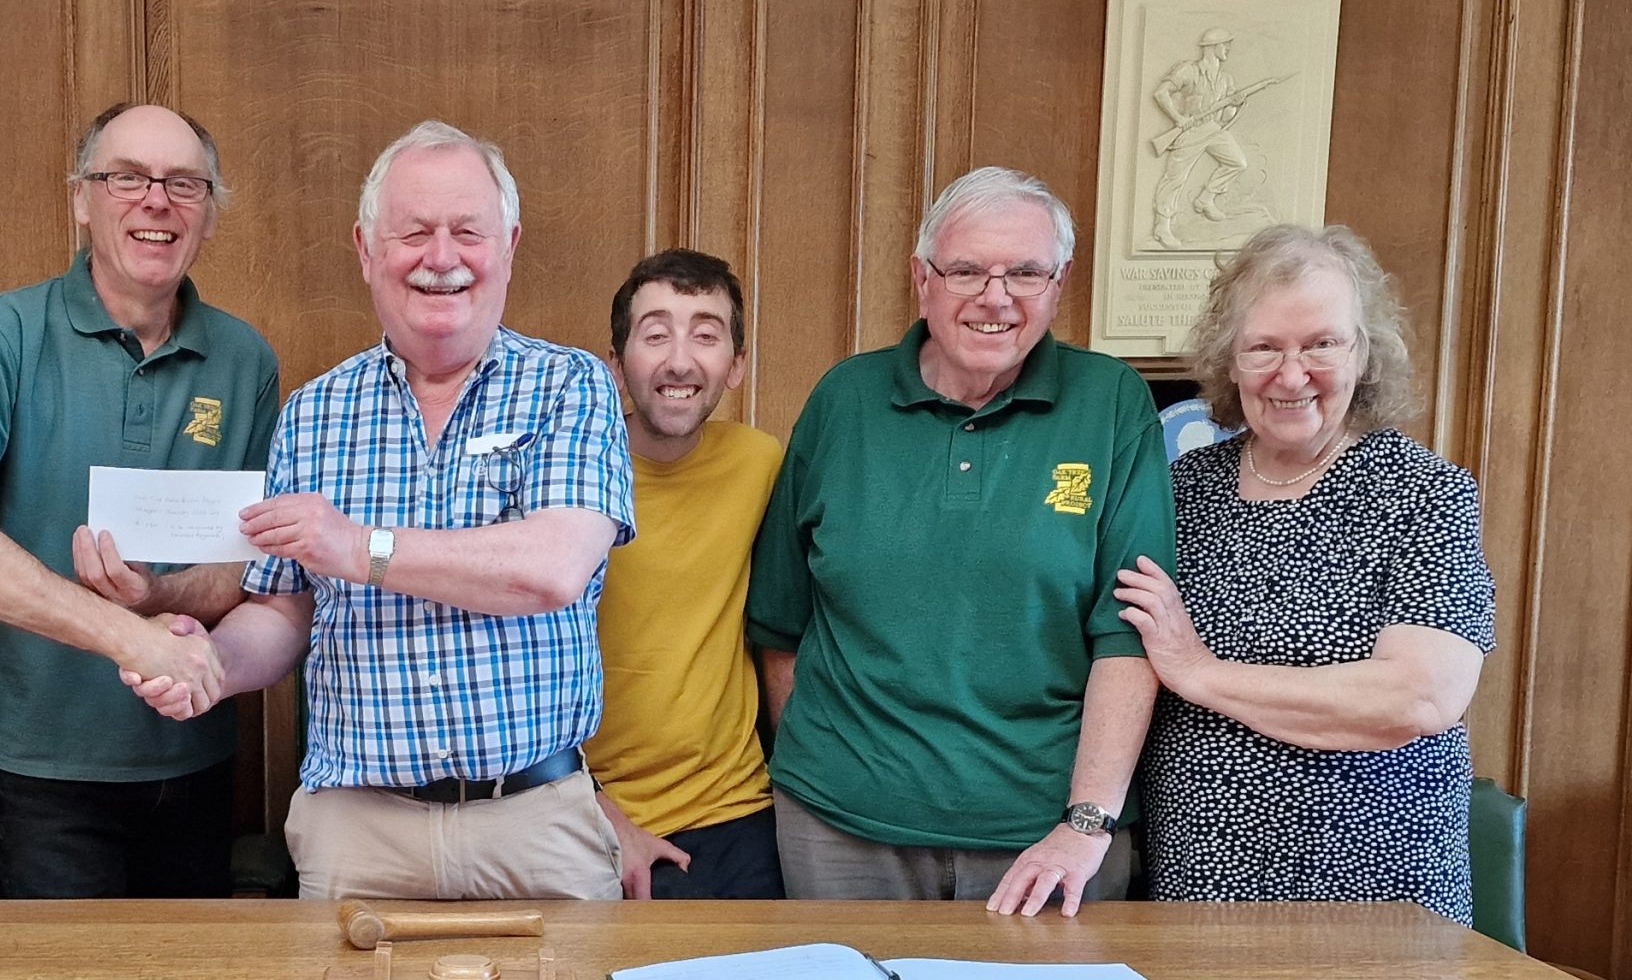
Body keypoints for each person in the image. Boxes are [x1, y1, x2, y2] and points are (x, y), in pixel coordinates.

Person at [128, 119, 633, 904]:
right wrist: (212, 665)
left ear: (508, 245)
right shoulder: (312, 412)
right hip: (354, 831)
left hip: (535, 824)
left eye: (468, 232)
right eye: (414, 233)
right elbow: (285, 613)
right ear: (366, 250)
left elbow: (552, 569)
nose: (441, 258)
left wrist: (359, 546)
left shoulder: (572, 387)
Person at [745, 165, 1172, 913]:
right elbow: (782, 621)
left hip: (1048, 837)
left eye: (1025, 273)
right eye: (967, 270)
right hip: (841, 834)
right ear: (922, 279)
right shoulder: (844, 399)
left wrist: (1086, 821)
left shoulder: (1110, 403)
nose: (995, 297)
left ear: (1060, 282)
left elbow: (1129, 634)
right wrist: (823, 776)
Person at [0, 103, 279, 897]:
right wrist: (127, 637)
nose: (156, 201)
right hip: (43, 773)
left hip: (197, 759)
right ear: (81, 199)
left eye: (184, 183)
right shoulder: (0, 337)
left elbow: (255, 563)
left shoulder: (245, 361)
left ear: (208, 210)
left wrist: (158, 595)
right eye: (126, 178)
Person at [1117, 224, 1492, 923]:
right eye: (1264, 347)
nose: (1293, 375)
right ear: (1229, 360)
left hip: (1379, 894)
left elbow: (1417, 698)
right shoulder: (1182, 488)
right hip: (1198, 880)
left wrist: (1198, 673)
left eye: (1322, 343)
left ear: (1365, 352)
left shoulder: (1424, 493)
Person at [589, 247, 785, 899]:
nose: (679, 360)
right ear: (616, 364)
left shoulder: (762, 465)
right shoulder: (572, 479)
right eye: (655, 335)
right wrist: (605, 817)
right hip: (585, 814)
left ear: (736, 366)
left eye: (705, 335)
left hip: (735, 810)